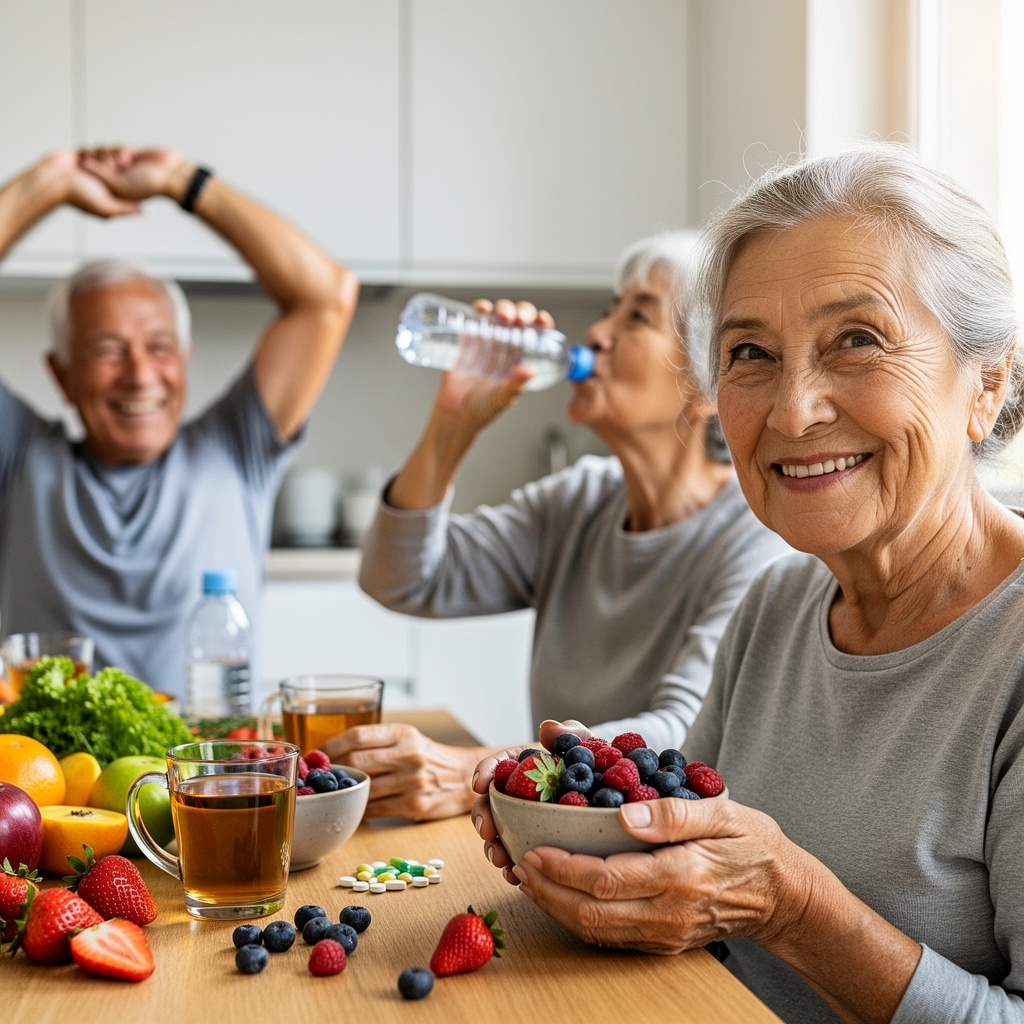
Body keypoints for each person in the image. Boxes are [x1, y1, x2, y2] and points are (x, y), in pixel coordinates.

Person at [472, 143, 1024, 1022]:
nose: (794, 409)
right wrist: (585, 819)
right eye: (751, 353)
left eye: (857, 340)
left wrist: (794, 906)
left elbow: (768, 902)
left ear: (986, 383)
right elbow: (702, 903)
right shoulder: (777, 605)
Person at [326, 232, 789, 820]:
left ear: (703, 387)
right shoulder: (579, 501)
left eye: (638, 316)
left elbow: (683, 729)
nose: (597, 333)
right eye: (608, 311)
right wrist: (455, 421)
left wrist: (478, 768)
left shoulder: (755, 537)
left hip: (664, 855)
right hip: (552, 835)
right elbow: (400, 578)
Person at [0, 147, 358, 698]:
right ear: (61, 374)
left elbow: (327, 296)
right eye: (107, 350)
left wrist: (181, 181)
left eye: (160, 347)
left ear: (184, 360)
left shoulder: (236, 449)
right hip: (51, 781)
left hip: (208, 781)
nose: (140, 375)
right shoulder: (21, 458)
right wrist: (48, 183)